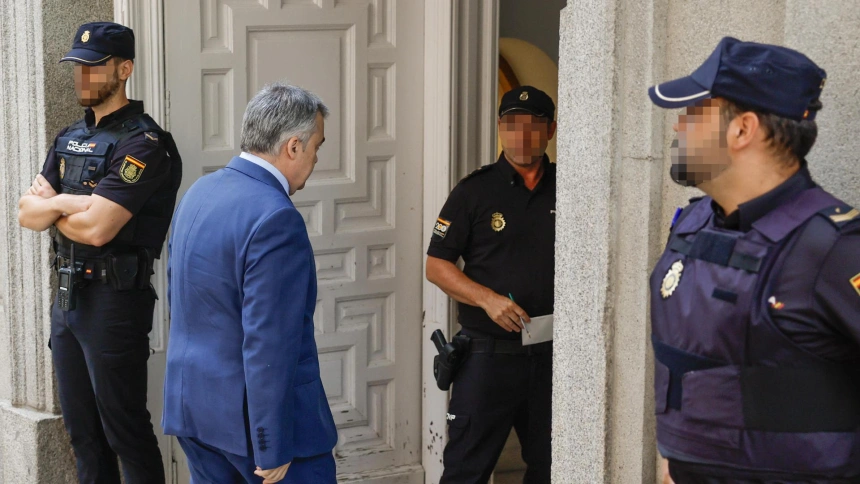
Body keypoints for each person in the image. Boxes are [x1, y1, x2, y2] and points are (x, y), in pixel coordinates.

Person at [648, 37, 860, 483]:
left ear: (742, 130)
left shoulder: (834, 248)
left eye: (694, 112)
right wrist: (675, 463)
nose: (678, 126)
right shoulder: (694, 225)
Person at [17, 21, 181, 484]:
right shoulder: (68, 137)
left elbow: (97, 229)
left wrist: (54, 205)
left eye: (93, 66)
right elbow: (26, 213)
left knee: (125, 433)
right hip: (68, 299)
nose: (82, 76)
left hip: (115, 302)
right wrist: (70, 204)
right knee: (83, 435)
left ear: (124, 69)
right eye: (77, 67)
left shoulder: (145, 144)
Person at [162, 82, 338, 484]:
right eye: (316, 147)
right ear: (293, 146)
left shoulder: (199, 192)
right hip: (260, 436)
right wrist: (272, 444)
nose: (315, 158)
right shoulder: (276, 217)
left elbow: (182, 301)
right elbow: (269, 342)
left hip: (195, 413)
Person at [426, 86, 557, 483]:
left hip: (553, 356)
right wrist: (487, 299)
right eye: (512, 124)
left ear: (550, 130)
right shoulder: (474, 191)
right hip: (488, 356)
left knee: (553, 468)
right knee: (465, 471)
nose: (521, 134)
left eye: (532, 124)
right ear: (500, 127)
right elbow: (436, 265)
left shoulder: (570, 186)